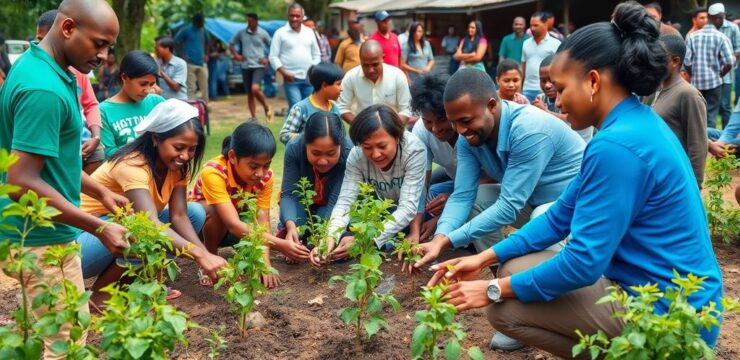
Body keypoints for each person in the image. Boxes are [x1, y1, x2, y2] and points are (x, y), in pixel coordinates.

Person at [424, 3, 724, 357]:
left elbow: (582, 262)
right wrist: (483, 256)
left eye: (562, 88)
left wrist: (492, 290)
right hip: (656, 288)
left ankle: (639, 353)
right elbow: (559, 216)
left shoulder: (616, 146)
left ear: (594, 81)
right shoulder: (629, 124)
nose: (557, 100)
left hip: (671, 313)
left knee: (503, 307)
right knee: (513, 265)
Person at [416, 68, 585, 350]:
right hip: (531, 199)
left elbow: (509, 208)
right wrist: (439, 239)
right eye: (455, 123)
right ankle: (506, 287)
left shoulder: (529, 129)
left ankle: (550, 311)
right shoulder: (471, 137)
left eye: (466, 121)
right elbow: (463, 194)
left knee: (540, 216)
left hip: (571, 207)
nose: (460, 131)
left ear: (492, 105)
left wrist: (453, 240)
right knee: (480, 198)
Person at [0, 1, 127, 358]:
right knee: (65, 339)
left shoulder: (46, 68)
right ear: (68, 28)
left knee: (42, 332)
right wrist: (99, 228)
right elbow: (23, 178)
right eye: (98, 44)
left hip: (36, 229)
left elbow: (53, 158)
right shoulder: (44, 90)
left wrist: (99, 190)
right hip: (39, 237)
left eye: (108, 47)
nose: (103, 55)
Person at [79, 99, 226, 304]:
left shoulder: (177, 167)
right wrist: (201, 256)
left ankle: (133, 284)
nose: (185, 155)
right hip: (85, 240)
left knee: (195, 213)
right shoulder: (132, 164)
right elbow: (150, 223)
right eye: (179, 147)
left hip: (120, 229)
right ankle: (101, 293)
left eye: (192, 149)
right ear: (156, 139)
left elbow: (179, 215)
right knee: (143, 232)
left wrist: (203, 254)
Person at [190, 121, 309, 287]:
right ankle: (208, 261)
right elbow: (232, 224)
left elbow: (262, 222)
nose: (260, 173)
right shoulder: (214, 172)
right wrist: (280, 245)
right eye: (253, 166)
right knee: (215, 210)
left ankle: (242, 256)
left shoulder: (265, 177)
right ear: (232, 157)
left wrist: (265, 264)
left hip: (236, 226)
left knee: (251, 218)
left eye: (266, 165)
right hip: (201, 230)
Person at [310, 104, 427, 265]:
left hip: (410, 207)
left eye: (382, 146)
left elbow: (407, 208)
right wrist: (329, 237)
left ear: (397, 138)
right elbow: (345, 202)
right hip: (382, 209)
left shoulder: (413, 150)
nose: (376, 154)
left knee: (397, 232)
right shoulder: (357, 155)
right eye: (367, 147)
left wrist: (363, 240)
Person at [36, 9, 105, 174]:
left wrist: (95, 137)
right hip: (55, 141)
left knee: (98, 152)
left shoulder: (78, 70)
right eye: (39, 40)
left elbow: (91, 104)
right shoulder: (39, 79)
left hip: (80, 140)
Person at [643, 35, 707, 188]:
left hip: (675, 179)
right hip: (654, 174)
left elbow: (697, 144)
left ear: (675, 61)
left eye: (658, 58)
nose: (653, 63)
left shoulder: (688, 94)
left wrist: (694, 185)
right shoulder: (653, 90)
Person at [279, 111, 353, 244]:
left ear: (341, 146)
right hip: (303, 205)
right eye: (316, 153)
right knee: (294, 219)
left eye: (331, 153)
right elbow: (289, 194)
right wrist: (291, 227)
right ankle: (291, 234)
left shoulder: (349, 153)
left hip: (332, 207)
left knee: (328, 221)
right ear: (305, 144)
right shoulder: (294, 147)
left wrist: (326, 235)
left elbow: (336, 202)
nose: (323, 161)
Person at [409, 74, 461, 241]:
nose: (435, 128)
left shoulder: (468, 128)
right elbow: (420, 183)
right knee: (432, 194)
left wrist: (450, 202)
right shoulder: (421, 131)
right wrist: (414, 231)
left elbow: (491, 176)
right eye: (427, 121)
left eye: (442, 120)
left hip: (486, 185)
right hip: (457, 181)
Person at [99, 50, 166, 158]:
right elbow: (109, 153)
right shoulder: (104, 111)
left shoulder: (157, 102)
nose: (148, 90)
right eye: (143, 84)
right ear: (125, 77)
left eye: (152, 84)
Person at [337, 40, 412, 124]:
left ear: (383, 58)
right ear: (360, 61)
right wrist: (360, 126)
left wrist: (389, 128)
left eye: (375, 64)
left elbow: (406, 110)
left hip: (393, 131)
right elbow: (342, 108)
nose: (370, 70)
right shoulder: (351, 76)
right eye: (365, 65)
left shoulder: (398, 76)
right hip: (363, 132)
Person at [685, 13, 734, 129]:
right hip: (714, 83)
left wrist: (693, 75)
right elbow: (730, 61)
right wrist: (721, 74)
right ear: (718, 19)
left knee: (697, 115)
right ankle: (709, 143)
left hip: (696, 84)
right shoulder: (721, 37)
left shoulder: (692, 36)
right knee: (711, 115)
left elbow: (686, 61)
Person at [270, 3, 321, 111]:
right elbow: (273, 57)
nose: (294, 18)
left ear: (302, 17)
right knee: (296, 109)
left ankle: (303, 128)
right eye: (292, 15)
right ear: (288, 16)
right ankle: (292, 128)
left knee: (309, 109)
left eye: (297, 16)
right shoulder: (280, 33)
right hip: (291, 79)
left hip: (309, 79)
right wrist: (284, 73)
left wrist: (313, 70)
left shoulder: (309, 32)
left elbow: (317, 54)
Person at [533, 55, 594, 143]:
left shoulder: (579, 97)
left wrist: (546, 112)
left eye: (551, 80)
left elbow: (572, 118)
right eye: (543, 81)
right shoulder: (541, 99)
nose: (547, 85)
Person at [279, 62, 344, 144]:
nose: (341, 89)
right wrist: (310, 138)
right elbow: (284, 135)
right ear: (324, 85)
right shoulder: (301, 108)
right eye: (338, 84)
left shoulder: (335, 109)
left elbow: (340, 135)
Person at [230, 12, 273, 121]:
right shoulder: (241, 33)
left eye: (251, 21)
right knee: (249, 93)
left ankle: (266, 106)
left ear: (256, 21)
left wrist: (267, 58)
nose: (249, 23)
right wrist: (237, 56)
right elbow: (231, 44)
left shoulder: (263, 33)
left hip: (259, 65)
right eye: (247, 21)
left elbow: (273, 46)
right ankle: (254, 117)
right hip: (245, 66)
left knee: (255, 88)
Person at [708, 3, 740, 131]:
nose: (718, 20)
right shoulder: (708, 29)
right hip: (709, 75)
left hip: (726, 74)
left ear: (724, 16)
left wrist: (725, 65)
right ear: (710, 17)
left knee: (725, 105)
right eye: (715, 17)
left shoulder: (732, 28)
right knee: (711, 106)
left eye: (720, 17)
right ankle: (711, 135)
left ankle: (726, 136)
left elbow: (738, 50)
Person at [521, 12, 561, 102]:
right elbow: (523, 67)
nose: (532, 28)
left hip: (547, 88)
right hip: (527, 89)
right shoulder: (525, 44)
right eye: (531, 25)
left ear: (545, 24)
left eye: (536, 25)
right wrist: (521, 88)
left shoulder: (555, 43)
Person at [175, 13, 209, 103]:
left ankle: (205, 107)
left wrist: (206, 54)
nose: (203, 23)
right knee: (191, 87)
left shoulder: (203, 30)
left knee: (204, 87)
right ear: (196, 21)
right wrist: (182, 55)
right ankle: (192, 107)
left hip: (201, 63)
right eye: (201, 21)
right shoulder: (186, 30)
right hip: (190, 63)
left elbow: (208, 42)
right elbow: (176, 41)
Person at [154, 35, 188, 101]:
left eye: (157, 49)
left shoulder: (180, 63)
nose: (155, 51)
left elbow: (176, 87)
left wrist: (162, 72)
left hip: (178, 101)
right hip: (162, 101)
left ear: (167, 49)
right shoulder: (156, 62)